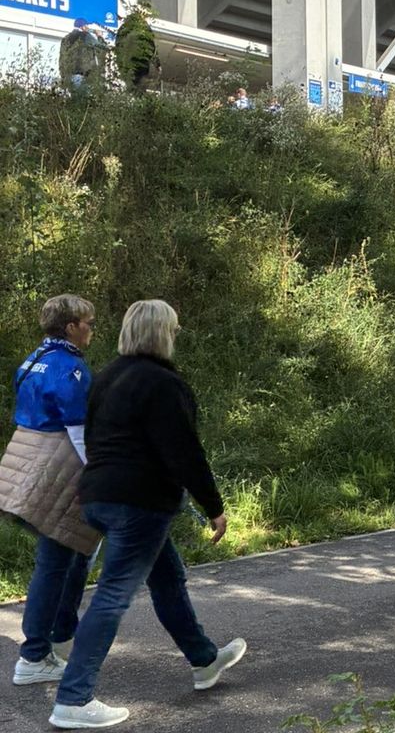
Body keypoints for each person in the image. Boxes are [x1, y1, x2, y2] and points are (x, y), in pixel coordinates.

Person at [50, 300, 245, 730]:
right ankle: (73, 699)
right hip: (139, 504)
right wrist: (213, 506)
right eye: (173, 329)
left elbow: (96, 441)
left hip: (98, 496)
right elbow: (183, 452)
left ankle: (205, 661)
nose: (175, 335)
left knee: (168, 579)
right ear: (162, 334)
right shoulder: (164, 383)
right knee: (113, 595)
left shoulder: (106, 378)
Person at [0, 295, 100, 688]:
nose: (91, 328)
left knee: (72, 555)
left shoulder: (31, 360)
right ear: (71, 325)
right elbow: (78, 429)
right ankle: (35, 654)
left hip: (24, 459)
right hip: (58, 468)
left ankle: (56, 638)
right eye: (88, 322)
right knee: (55, 561)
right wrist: (97, 472)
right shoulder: (71, 368)